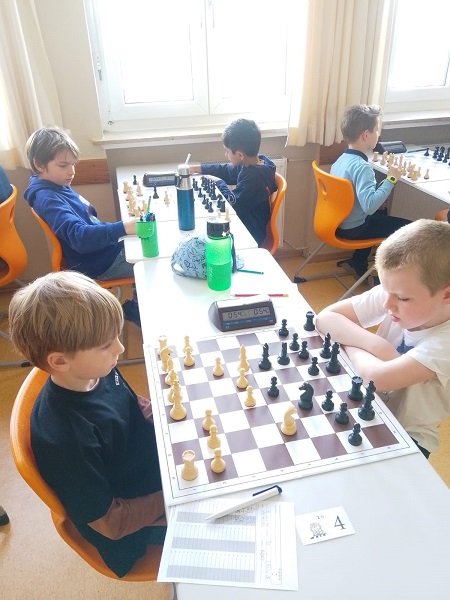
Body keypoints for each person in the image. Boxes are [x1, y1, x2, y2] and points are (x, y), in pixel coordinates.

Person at [9, 271, 166, 577]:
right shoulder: (64, 440)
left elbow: (130, 404)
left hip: (148, 468)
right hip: (135, 523)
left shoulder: (94, 370)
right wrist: (171, 497)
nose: (120, 349)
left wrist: (164, 415)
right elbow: (112, 523)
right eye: (106, 345)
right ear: (59, 361)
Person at [315, 219, 450, 459]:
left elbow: (375, 378)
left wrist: (346, 340)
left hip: (409, 436)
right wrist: (377, 345)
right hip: (367, 406)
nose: (388, 304)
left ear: (447, 294)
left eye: (402, 299)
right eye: (385, 291)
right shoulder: (398, 289)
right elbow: (325, 318)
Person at [24, 127, 141, 326]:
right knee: (155, 260)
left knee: (147, 241)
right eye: (63, 165)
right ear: (39, 164)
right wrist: (122, 228)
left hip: (103, 253)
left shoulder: (55, 185)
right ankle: (140, 309)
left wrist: (121, 230)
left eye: (73, 164)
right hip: (100, 262)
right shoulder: (48, 199)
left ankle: (136, 306)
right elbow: (80, 237)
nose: (71, 171)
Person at [331, 104, 411, 279]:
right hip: (354, 229)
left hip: (337, 223)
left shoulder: (341, 160)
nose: (379, 134)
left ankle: (358, 261)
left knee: (381, 214)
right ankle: (394, 278)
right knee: (411, 229)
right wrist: (391, 180)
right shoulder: (362, 167)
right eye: (377, 130)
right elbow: (369, 207)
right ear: (366, 135)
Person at [189, 118, 277, 246]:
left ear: (240, 155)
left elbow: (232, 204)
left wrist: (219, 182)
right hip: (243, 223)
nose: (226, 154)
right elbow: (227, 171)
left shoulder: (255, 178)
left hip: (250, 233)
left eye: (227, 151)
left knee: (201, 240)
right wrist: (199, 168)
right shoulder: (252, 163)